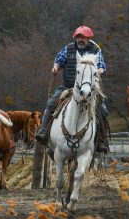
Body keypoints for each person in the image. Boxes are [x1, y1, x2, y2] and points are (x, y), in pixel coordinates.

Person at [36, 25, 109, 153]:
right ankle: (43, 132)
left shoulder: (95, 50)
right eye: (78, 37)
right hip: (68, 86)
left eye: (83, 37)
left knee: (102, 110)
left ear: (89, 38)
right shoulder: (68, 49)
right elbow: (58, 60)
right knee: (51, 103)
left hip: (89, 88)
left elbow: (102, 65)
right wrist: (56, 67)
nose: (80, 40)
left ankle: (101, 141)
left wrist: (99, 71)